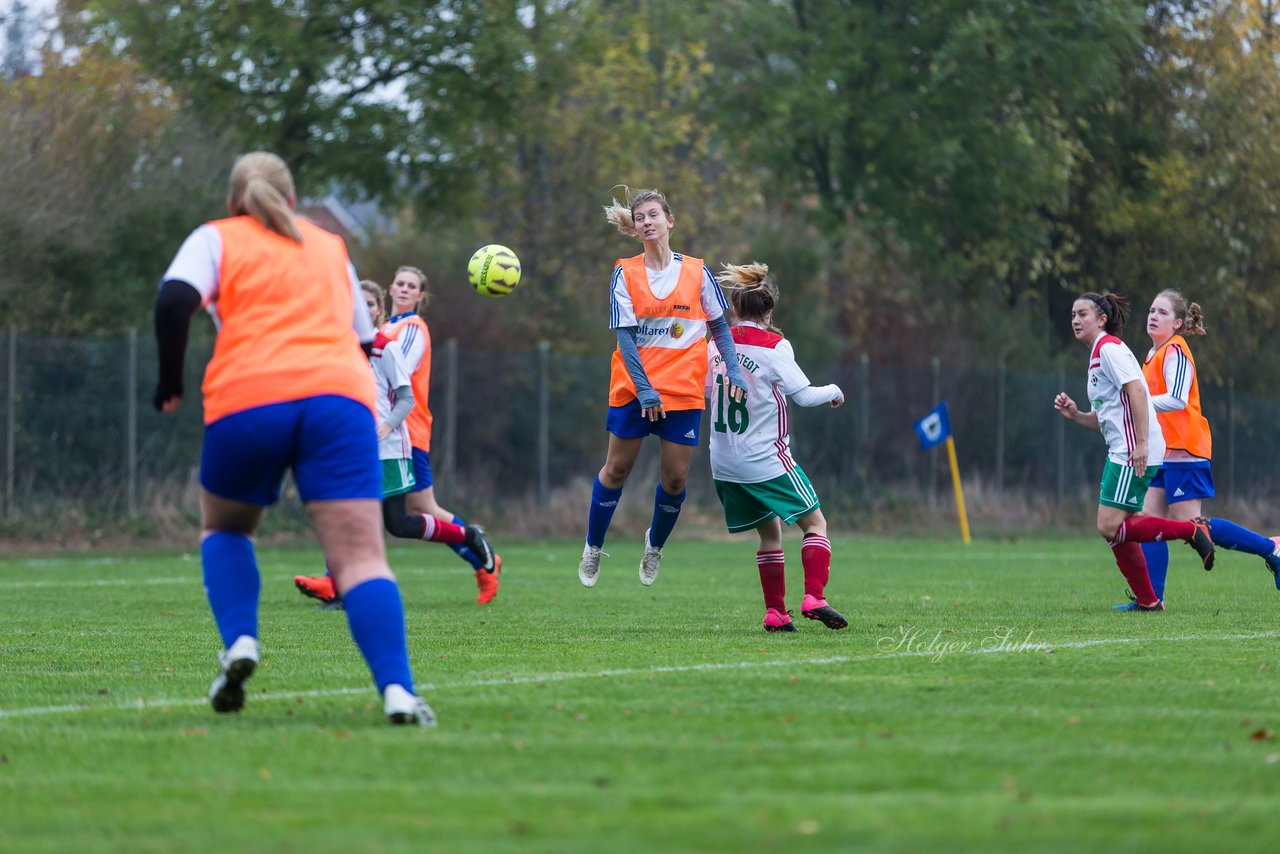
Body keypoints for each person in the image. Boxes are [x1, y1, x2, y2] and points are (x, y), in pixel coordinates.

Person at [152, 151, 433, 724]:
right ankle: (398, 692)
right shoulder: (330, 246)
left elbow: (174, 299)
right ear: (294, 199)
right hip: (338, 401)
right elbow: (363, 340)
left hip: (248, 398)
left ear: (234, 201)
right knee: (359, 558)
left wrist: (169, 380)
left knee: (227, 528)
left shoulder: (217, 237)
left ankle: (241, 642)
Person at [577, 188, 748, 587]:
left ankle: (654, 546)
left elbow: (720, 326)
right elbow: (625, 338)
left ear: (670, 220)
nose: (647, 222)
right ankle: (592, 545)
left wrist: (734, 370)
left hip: (683, 390)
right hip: (636, 389)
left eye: (654, 214)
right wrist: (645, 389)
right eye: (640, 218)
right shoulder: (625, 271)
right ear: (635, 228)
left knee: (675, 480)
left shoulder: (697, 271)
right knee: (616, 469)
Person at [292, 281, 495, 607]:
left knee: (399, 523)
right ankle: (340, 588)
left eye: (370, 305)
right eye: (359, 304)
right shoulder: (341, 347)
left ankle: (469, 537)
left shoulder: (387, 345)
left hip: (389, 447)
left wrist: (385, 426)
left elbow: (405, 397)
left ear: (378, 310)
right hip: (352, 447)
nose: (363, 310)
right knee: (345, 513)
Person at [1114, 289, 1280, 608]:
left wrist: (1138, 403)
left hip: (1184, 450)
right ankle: (1151, 600)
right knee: (1148, 519)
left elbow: (1176, 399)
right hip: (1163, 451)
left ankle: (1270, 547)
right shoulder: (1151, 355)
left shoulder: (1175, 350)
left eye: (1162, 312)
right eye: (1151, 310)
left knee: (1193, 524)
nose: (1153, 315)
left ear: (1177, 322)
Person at [706, 263, 848, 632]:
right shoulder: (774, 345)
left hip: (723, 463)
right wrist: (833, 391)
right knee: (816, 523)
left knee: (769, 533)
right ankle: (814, 596)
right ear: (769, 312)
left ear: (735, 311)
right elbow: (803, 395)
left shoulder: (715, 345)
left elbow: (705, 391)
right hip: (764, 459)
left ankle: (775, 612)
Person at [1053, 292, 1216, 611]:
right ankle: (1149, 600)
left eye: (1083, 314)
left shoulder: (1110, 349)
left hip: (1132, 449)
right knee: (1113, 529)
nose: (1075, 320)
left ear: (1101, 320)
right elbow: (1107, 418)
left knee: (1110, 525)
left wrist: (1141, 444)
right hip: (1121, 448)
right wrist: (1076, 415)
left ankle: (1190, 531)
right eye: (1073, 314)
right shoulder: (1098, 354)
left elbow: (1138, 393)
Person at [377, 265, 504, 604]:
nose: (404, 289)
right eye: (400, 283)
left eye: (411, 286)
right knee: (404, 508)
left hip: (405, 430)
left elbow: (394, 370)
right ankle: (482, 558)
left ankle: (482, 556)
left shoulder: (412, 327)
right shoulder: (384, 327)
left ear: (421, 297)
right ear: (390, 289)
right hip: (385, 431)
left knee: (423, 507)